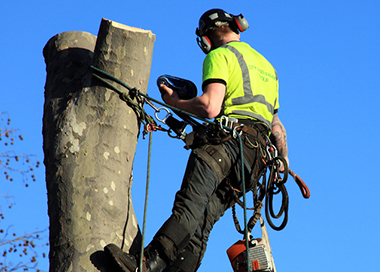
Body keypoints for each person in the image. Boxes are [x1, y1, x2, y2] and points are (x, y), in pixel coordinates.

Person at [104, 8, 288, 272]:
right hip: (255, 161)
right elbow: (277, 125)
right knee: (203, 222)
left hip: (226, 145)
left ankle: (146, 264)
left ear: (207, 36)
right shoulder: (268, 68)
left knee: (190, 206)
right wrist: (282, 162)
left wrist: (175, 102)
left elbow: (211, 107)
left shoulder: (219, 55)